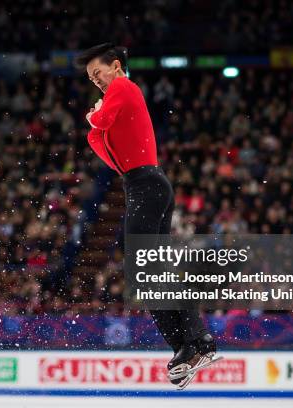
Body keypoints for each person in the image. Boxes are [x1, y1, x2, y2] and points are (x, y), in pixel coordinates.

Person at [75, 43, 218, 389]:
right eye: (91, 78)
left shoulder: (123, 86)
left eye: (98, 74)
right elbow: (104, 149)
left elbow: (101, 122)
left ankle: (196, 340)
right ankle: (189, 347)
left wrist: (93, 118)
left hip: (146, 186)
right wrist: (95, 125)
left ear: (116, 66)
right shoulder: (117, 95)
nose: (96, 82)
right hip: (141, 185)